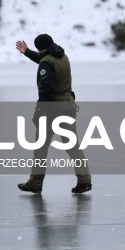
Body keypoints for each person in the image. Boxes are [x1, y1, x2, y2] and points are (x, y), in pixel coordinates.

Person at [15, 34, 92, 194]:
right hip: (68, 107)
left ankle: (35, 183)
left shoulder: (47, 62)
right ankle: (84, 180)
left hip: (52, 110)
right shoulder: (62, 56)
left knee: (40, 148)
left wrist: (39, 111)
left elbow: (46, 89)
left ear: (40, 48)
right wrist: (27, 52)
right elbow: (45, 61)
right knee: (72, 146)